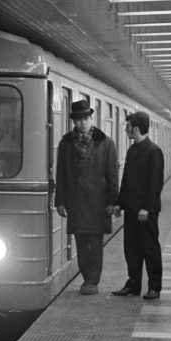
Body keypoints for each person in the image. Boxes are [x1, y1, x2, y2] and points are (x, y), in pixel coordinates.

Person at [54, 99, 119, 295]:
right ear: (74, 121)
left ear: (91, 118)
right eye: (79, 119)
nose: (83, 122)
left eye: (86, 118)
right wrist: (60, 201)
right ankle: (86, 277)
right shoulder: (66, 143)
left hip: (97, 202)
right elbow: (62, 174)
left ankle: (93, 280)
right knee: (81, 242)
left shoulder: (106, 143)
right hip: (75, 201)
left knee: (95, 242)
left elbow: (112, 175)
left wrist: (112, 202)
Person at [113, 111, 165, 299]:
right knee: (132, 249)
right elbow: (126, 181)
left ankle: (154, 286)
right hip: (132, 209)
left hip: (146, 212)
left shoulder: (154, 151)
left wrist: (147, 208)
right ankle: (133, 284)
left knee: (150, 248)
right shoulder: (132, 150)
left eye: (127, 127)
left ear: (135, 128)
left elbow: (155, 183)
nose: (126, 130)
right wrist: (120, 204)